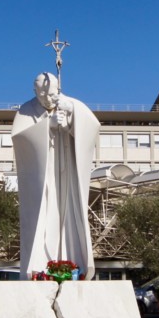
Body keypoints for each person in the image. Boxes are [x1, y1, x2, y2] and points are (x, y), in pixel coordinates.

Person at [11, 72, 100, 280]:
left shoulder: (70, 104)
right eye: (42, 95)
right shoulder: (25, 111)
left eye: (52, 94)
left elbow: (93, 127)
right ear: (35, 92)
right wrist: (47, 126)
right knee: (44, 216)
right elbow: (20, 138)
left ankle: (73, 263)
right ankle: (40, 267)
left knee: (69, 215)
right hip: (44, 178)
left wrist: (72, 116)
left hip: (68, 175)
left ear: (58, 89)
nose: (48, 99)